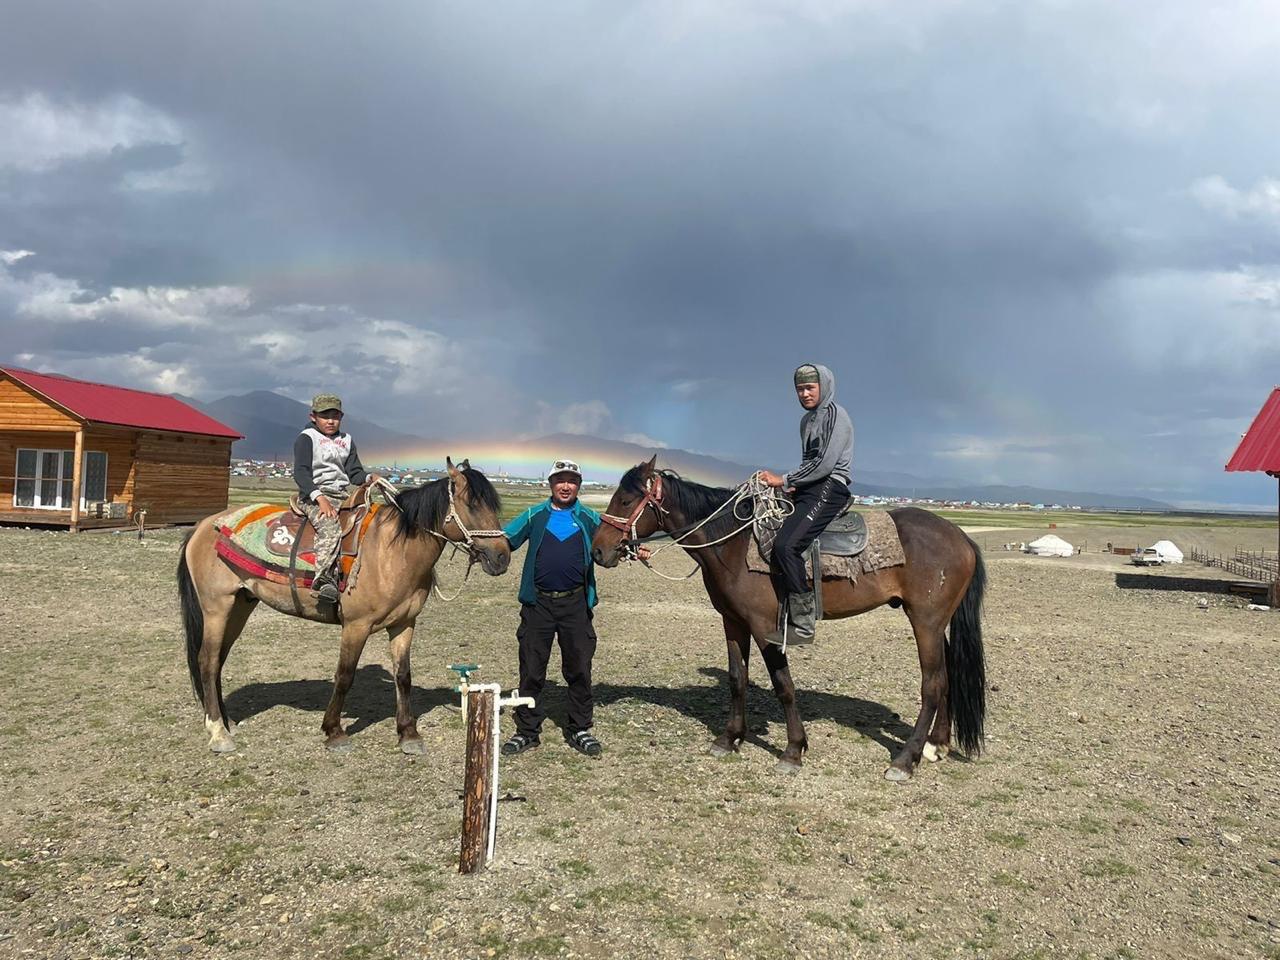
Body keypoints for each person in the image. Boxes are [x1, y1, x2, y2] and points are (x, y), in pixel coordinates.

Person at [498, 459, 615, 757]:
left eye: (572, 481)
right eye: (560, 480)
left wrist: (636, 550)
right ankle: (527, 731)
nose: (566, 486)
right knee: (531, 669)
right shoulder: (534, 514)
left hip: (576, 604)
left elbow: (612, 545)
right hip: (537, 604)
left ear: (579, 486)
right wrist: (476, 544)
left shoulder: (589, 518)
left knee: (579, 668)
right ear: (550, 484)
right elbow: (505, 541)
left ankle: (580, 728)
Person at [758, 364, 854, 646]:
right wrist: (794, 486)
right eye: (800, 389)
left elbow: (825, 463)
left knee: (786, 546)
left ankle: (803, 624)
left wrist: (783, 479)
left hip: (830, 486)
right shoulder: (806, 421)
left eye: (810, 388)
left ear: (824, 386)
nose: (805, 394)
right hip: (811, 487)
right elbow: (808, 463)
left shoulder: (836, 415)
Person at [292, 393, 368, 603]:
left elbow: (355, 473)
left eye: (335, 416)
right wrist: (320, 498)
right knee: (330, 527)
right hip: (313, 495)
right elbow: (301, 473)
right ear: (313, 417)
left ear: (341, 417)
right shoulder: (307, 438)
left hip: (342, 495)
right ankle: (322, 580)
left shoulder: (347, 440)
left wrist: (370, 478)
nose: (330, 421)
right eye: (325, 416)